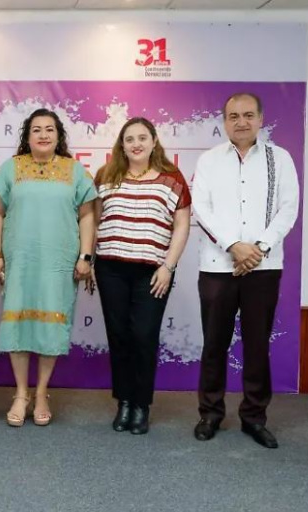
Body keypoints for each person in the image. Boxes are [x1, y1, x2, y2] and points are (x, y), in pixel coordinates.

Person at [192, 93, 299, 449]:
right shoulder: (209, 160)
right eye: (234, 116)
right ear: (224, 121)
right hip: (217, 266)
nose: (241, 122)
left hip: (263, 267)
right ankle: (210, 413)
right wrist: (234, 246)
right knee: (214, 344)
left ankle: (254, 417)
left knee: (256, 345)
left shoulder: (279, 159)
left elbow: (288, 209)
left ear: (260, 119)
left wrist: (259, 248)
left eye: (248, 115)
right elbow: (201, 208)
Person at [0, 108, 97, 427]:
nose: (43, 135)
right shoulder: (12, 168)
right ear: (27, 136)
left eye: (49, 129)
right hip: (20, 260)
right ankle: (21, 394)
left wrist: (86, 256)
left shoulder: (75, 171)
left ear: (59, 136)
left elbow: (88, 216)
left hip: (58, 263)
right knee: (17, 324)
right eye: (36, 129)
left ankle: (43, 392)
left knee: (51, 326)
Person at [93, 117, 191, 435]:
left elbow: (182, 225)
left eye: (142, 138)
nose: (136, 144)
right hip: (111, 269)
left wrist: (168, 267)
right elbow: (95, 221)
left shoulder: (172, 178)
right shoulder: (106, 176)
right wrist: (89, 259)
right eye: (130, 139)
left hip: (153, 272)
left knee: (144, 336)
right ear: (122, 145)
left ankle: (141, 405)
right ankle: (124, 402)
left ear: (153, 141)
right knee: (119, 335)